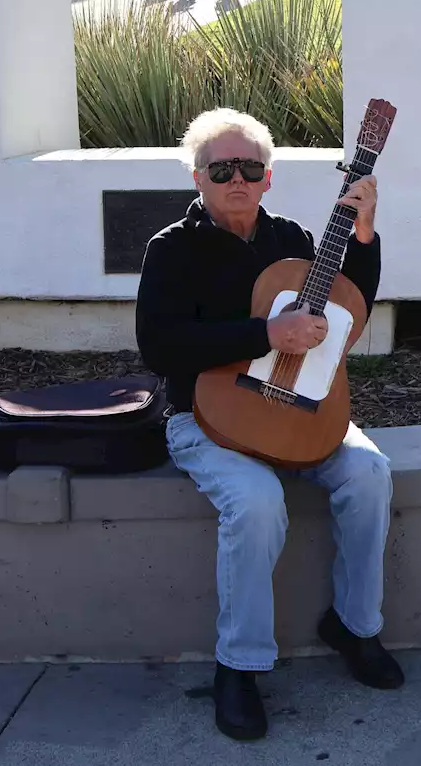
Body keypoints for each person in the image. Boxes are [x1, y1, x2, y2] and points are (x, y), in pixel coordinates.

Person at [135, 108, 402, 743]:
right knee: (256, 504)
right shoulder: (171, 249)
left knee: (369, 472)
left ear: (268, 178)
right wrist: (265, 333)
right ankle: (240, 665)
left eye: (249, 168)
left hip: (297, 413)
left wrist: (364, 235)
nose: (237, 179)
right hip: (206, 419)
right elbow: (160, 346)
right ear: (198, 177)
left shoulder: (292, 239)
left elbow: (346, 309)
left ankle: (355, 627)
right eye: (221, 168)